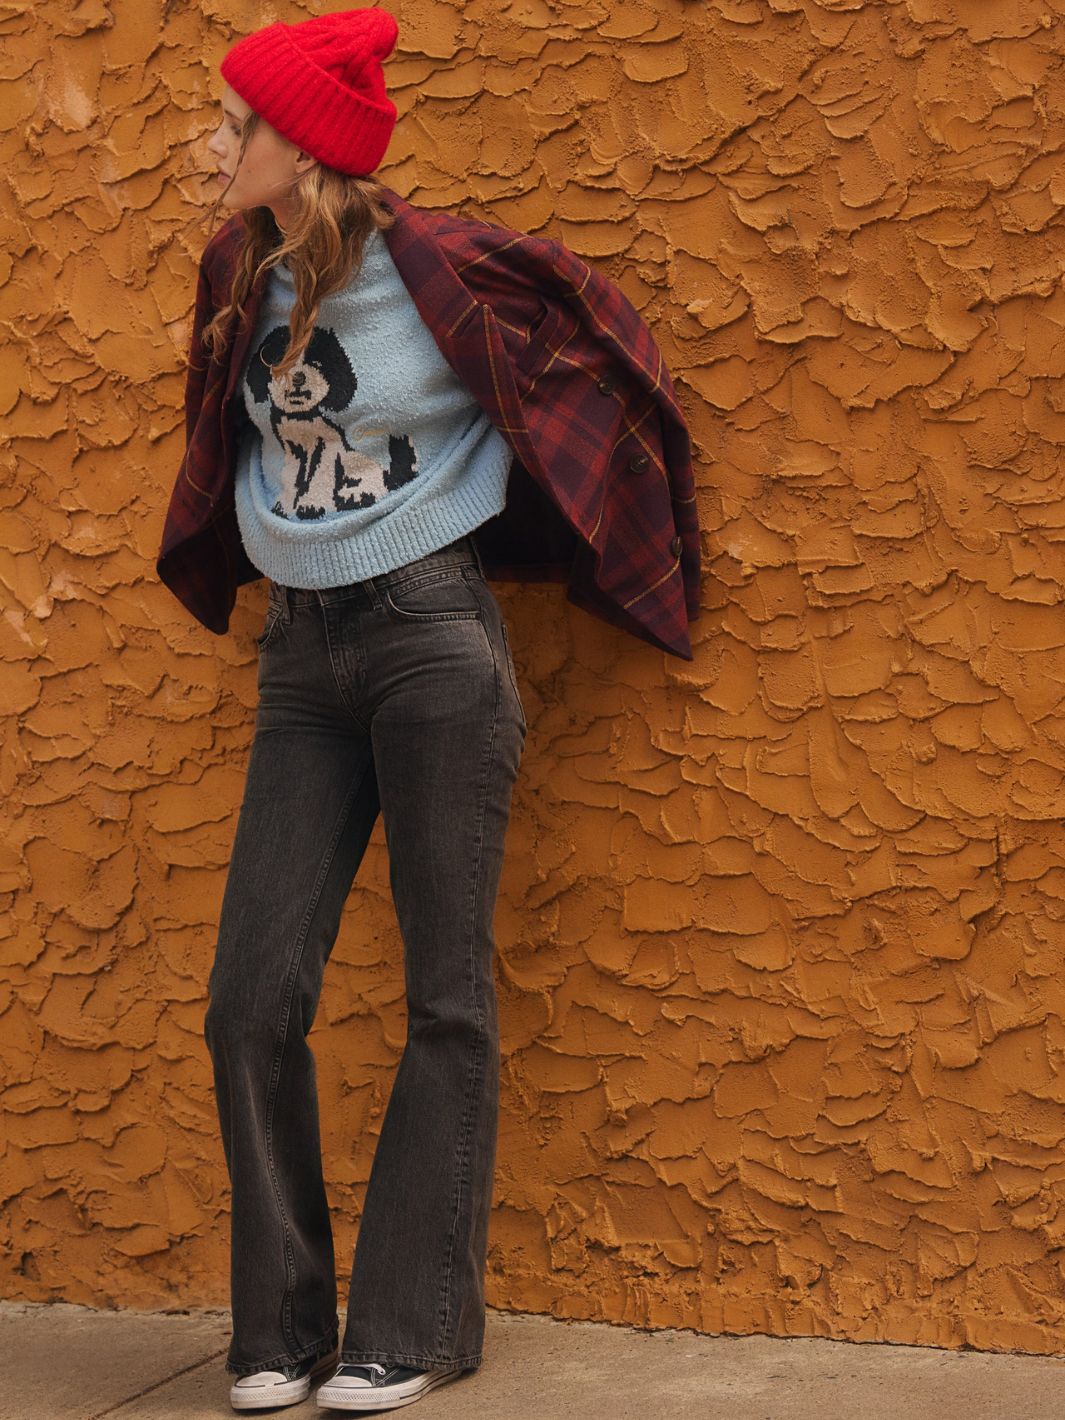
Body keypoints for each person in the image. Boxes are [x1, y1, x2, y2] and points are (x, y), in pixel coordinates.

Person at [158, 8, 700, 1412]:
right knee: (247, 1000)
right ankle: (281, 1326)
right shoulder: (238, 271)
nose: (212, 145)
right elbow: (229, 439)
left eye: (237, 126)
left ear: (308, 147)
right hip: (300, 662)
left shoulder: (444, 270)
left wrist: (588, 514)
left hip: (430, 640)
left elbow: (594, 345)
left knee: (444, 996)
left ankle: (410, 1328)